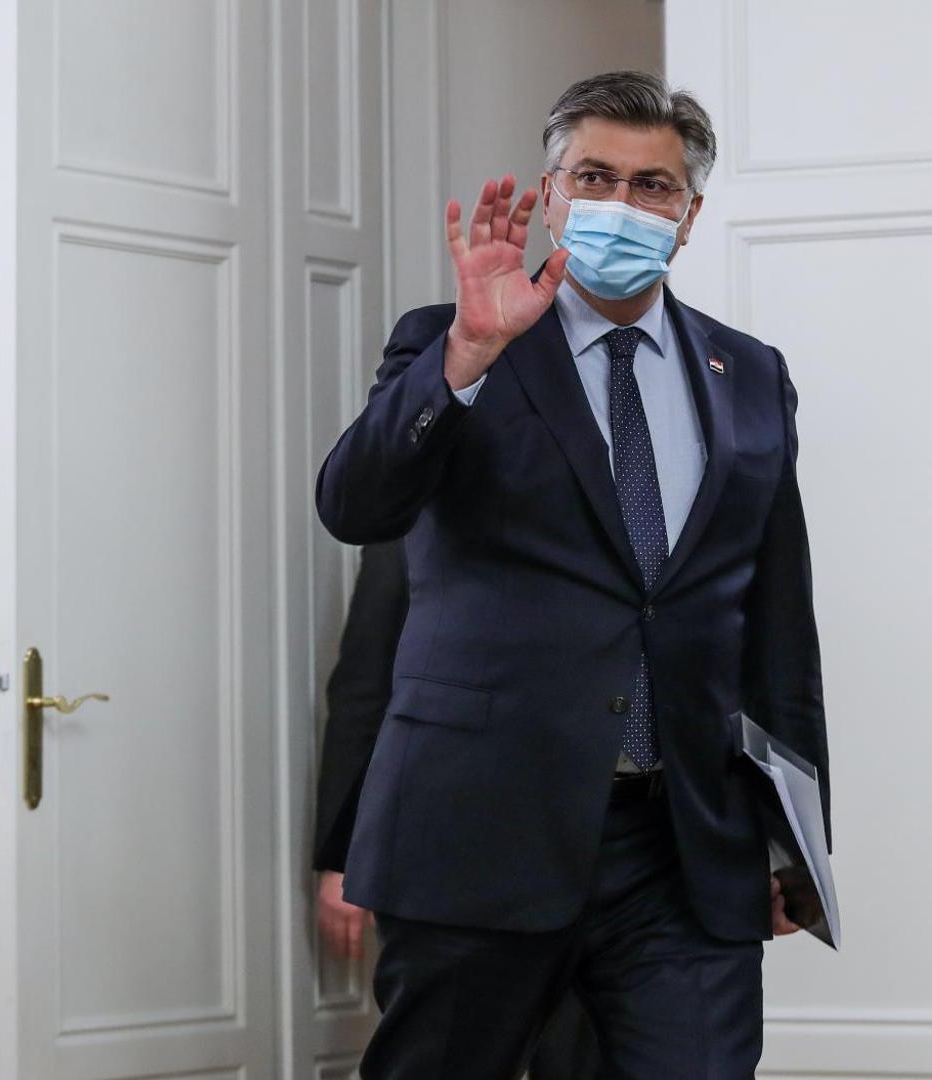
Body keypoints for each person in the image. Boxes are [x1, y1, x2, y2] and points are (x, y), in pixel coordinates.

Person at [315, 69, 830, 1079]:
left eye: (653, 186)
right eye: (595, 177)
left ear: (688, 216)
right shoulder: (451, 340)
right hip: (478, 832)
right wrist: (468, 353)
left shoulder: (750, 375)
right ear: (552, 196)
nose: (622, 204)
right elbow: (354, 507)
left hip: (681, 847)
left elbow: (778, 624)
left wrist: (794, 840)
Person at [310, 539, 602, 1080]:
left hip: (604, 859)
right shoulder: (408, 526)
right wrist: (341, 858)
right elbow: (363, 693)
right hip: (454, 860)